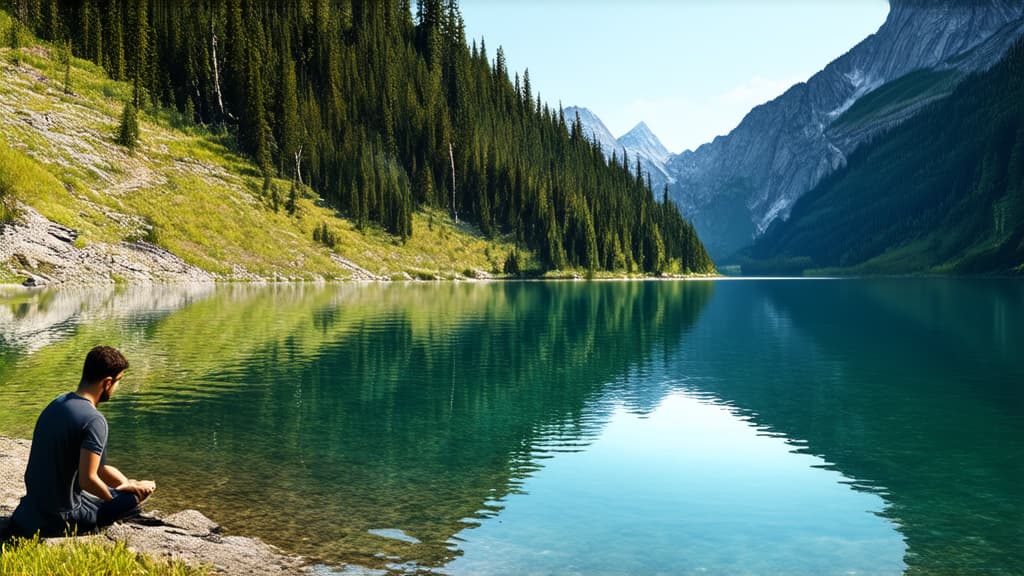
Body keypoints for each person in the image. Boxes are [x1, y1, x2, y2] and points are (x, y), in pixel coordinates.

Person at [8, 345, 156, 538]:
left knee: (128, 488)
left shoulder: (57, 404)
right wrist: (115, 497)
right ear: (107, 382)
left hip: (30, 510)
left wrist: (127, 483)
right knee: (136, 495)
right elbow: (88, 480)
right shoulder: (94, 420)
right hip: (60, 518)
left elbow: (101, 469)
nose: (117, 387)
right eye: (119, 381)